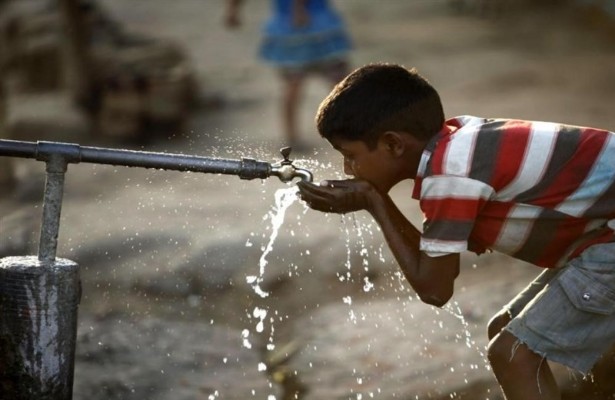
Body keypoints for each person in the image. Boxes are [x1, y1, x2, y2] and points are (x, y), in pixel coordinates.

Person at [297, 62, 615, 400]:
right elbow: (436, 265)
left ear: (392, 144)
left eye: (350, 155)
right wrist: (374, 200)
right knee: (505, 331)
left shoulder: (451, 174)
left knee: (512, 354)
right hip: (601, 234)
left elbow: (435, 288)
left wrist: (375, 202)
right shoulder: (456, 145)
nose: (348, 169)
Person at [224, 0, 352, 150]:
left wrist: (233, 11)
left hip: (293, 26)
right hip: (310, 25)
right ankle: (349, 130)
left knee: (300, 84)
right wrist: (299, 9)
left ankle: (293, 136)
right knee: (337, 84)